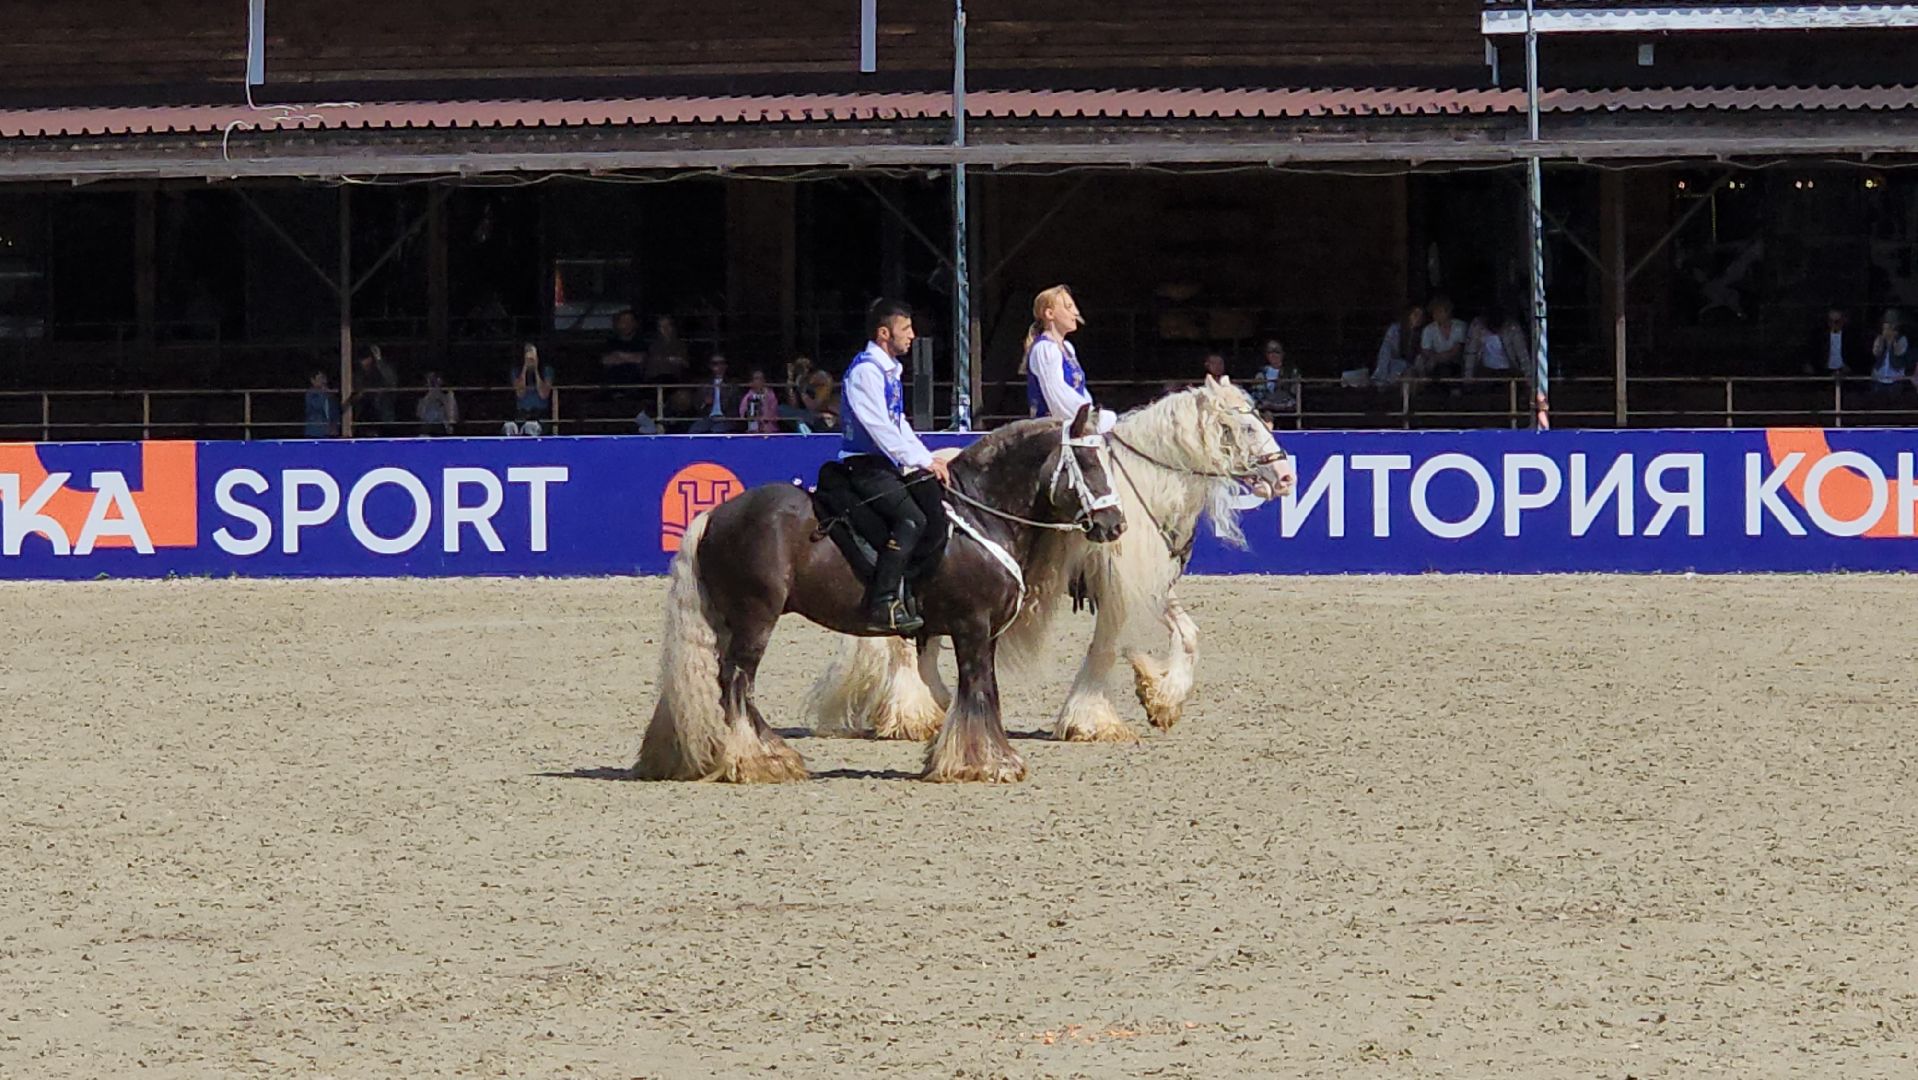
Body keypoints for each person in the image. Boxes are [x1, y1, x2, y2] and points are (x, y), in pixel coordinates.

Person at [839, 299, 951, 634]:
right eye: (906, 329)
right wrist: (919, 461)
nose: (913, 336)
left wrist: (928, 458)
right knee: (911, 518)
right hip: (864, 466)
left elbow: (899, 424)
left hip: (886, 464)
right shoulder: (865, 373)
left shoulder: (889, 372)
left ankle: (915, 589)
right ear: (884, 333)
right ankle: (883, 602)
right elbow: (880, 428)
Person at [1022, 284, 1116, 433]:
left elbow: (1079, 390)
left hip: (1071, 423)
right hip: (1051, 430)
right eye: (1068, 307)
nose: (1076, 312)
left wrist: (1090, 412)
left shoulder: (1067, 348)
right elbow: (1057, 395)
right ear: (1050, 314)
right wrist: (1088, 418)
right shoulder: (1045, 349)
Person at [1413, 295, 1467, 385]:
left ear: (1448, 311)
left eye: (1439, 312)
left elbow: (1456, 351)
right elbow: (1426, 352)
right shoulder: (1428, 329)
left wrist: (1438, 357)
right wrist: (1436, 359)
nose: (1436, 315)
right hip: (1434, 366)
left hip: (1455, 364)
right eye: (1434, 312)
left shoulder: (1460, 327)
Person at [1368, 304, 1425, 387]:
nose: (1418, 318)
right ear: (1409, 315)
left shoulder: (1423, 333)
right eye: (1415, 315)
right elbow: (1386, 351)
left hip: (1409, 367)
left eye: (1421, 316)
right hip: (1391, 364)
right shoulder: (1395, 329)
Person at [504, 343, 553, 436]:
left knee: (530, 427)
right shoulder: (516, 371)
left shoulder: (546, 370)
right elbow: (520, 393)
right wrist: (525, 368)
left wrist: (536, 370)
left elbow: (543, 394)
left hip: (540, 416)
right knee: (509, 427)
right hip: (521, 415)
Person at [350, 344, 399, 434]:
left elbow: (391, 381)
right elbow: (353, 396)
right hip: (363, 418)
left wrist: (379, 360)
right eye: (362, 359)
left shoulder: (382, 369)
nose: (364, 362)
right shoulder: (357, 376)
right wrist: (359, 395)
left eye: (367, 358)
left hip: (383, 416)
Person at [689, 354, 741, 434]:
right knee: (694, 430)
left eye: (721, 363)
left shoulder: (732, 384)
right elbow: (697, 405)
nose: (719, 366)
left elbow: (737, 405)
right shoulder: (705, 384)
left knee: (717, 430)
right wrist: (704, 403)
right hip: (709, 418)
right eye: (715, 363)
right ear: (710, 366)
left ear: (725, 366)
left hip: (726, 418)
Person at [1810, 306, 1866, 377]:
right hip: (1824, 373)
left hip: (1846, 373)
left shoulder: (1852, 336)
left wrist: (1849, 368)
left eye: (1837, 322)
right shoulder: (1820, 336)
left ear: (1843, 321)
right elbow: (1814, 353)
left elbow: (1858, 355)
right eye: (1830, 321)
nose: (1833, 324)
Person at [1869, 309, 1911, 399]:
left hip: (1895, 379)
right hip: (1879, 377)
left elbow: (1899, 353)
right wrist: (1882, 340)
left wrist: (1893, 340)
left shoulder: (1902, 339)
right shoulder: (1879, 338)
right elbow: (1876, 353)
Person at [600, 310, 649, 384]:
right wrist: (631, 357)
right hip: (613, 385)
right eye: (623, 321)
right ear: (617, 324)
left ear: (635, 324)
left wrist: (619, 355)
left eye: (630, 321)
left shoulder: (643, 341)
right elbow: (606, 360)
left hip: (637, 385)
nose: (627, 324)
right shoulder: (610, 342)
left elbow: (642, 359)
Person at [1253, 338, 1297, 415]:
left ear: (1283, 353)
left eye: (1277, 352)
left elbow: (1295, 395)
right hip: (1265, 411)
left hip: (1286, 411)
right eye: (1270, 352)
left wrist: (1276, 405)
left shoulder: (1292, 372)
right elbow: (1257, 394)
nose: (1273, 355)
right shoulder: (1261, 373)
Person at [739, 367, 782, 434]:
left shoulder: (771, 395)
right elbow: (742, 415)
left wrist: (765, 398)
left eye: (762, 378)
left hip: (771, 431)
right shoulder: (748, 397)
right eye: (757, 378)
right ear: (751, 382)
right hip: (753, 432)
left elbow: (774, 413)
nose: (760, 380)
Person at [416, 371, 459, 435]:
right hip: (426, 430)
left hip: (443, 429)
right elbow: (420, 415)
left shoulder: (448, 395)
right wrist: (429, 397)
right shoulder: (423, 397)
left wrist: (443, 399)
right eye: (430, 381)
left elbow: (453, 418)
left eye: (434, 380)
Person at [303, 370, 340, 438]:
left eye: (323, 378)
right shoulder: (311, 393)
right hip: (315, 432)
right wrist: (323, 392)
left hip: (330, 431)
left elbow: (335, 411)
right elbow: (317, 406)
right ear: (313, 380)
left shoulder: (330, 394)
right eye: (320, 378)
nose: (323, 381)